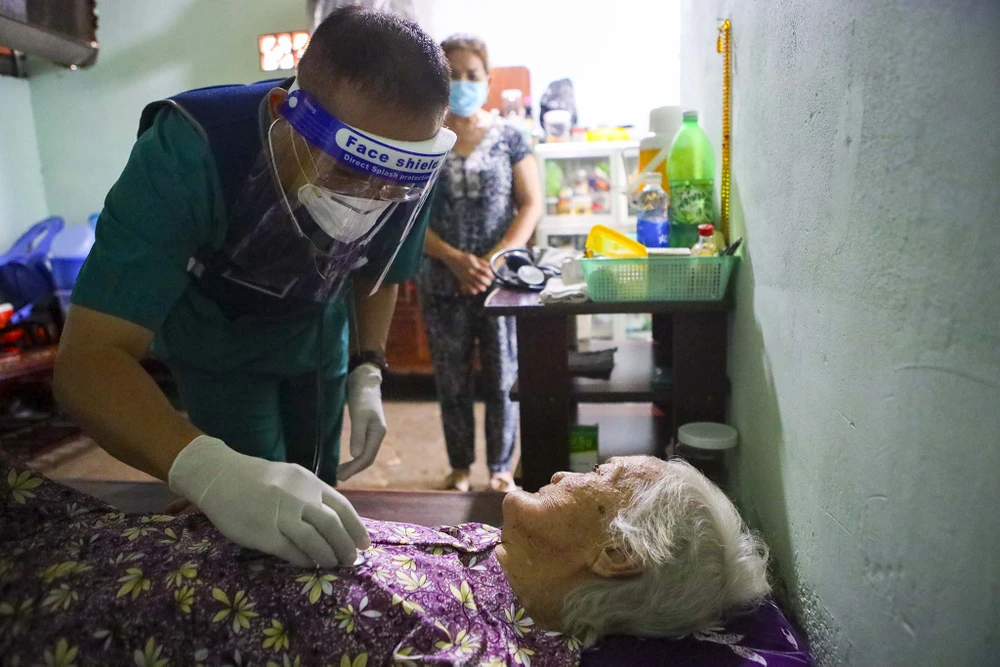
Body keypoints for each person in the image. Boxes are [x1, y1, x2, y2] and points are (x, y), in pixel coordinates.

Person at [52, 7, 456, 570]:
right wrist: (208, 472)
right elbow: (87, 362)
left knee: (317, 490)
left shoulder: (406, 163)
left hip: (317, 337)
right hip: (220, 342)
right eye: (347, 172)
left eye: (393, 185)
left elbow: (377, 270)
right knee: (251, 517)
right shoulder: (191, 150)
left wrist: (368, 367)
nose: (370, 198)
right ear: (284, 114)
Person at [2, 450, 804, 666]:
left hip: (60, 611)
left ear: (615, 551)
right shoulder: (492, 556)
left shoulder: (462, 651)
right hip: (92, 537)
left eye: (600, 477)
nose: (570, 471)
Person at [418, 34, 543, 493]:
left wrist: (494, 259)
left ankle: (500, 467)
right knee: (451, 378)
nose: (463, 83)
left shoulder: (510, 137)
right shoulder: (422, 137)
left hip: (499, 283)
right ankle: (459, 467)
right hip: (439, 277)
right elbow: (405, 212)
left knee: (503, 376)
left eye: (472, 75)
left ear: (487, 82)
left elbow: (530, 204)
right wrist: (453, 259)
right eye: (452, 74)